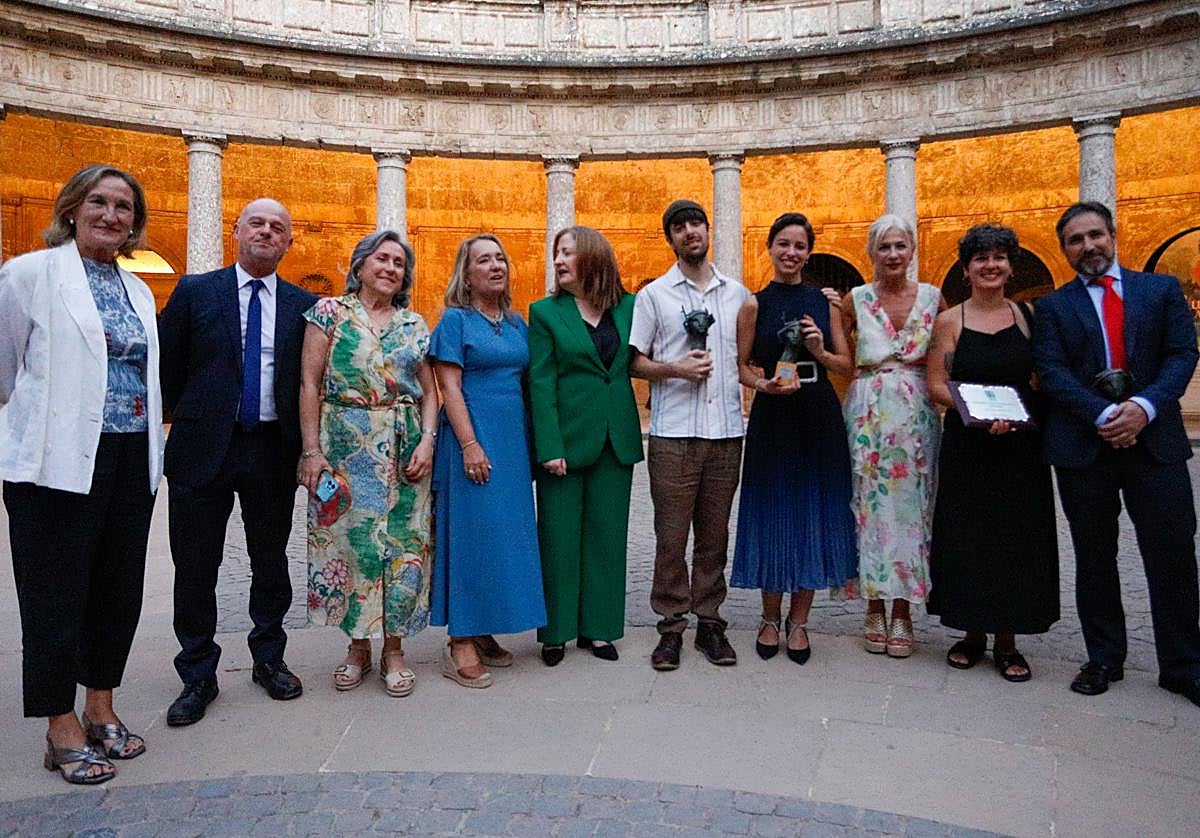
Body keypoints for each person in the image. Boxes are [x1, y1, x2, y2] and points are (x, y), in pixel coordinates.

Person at [0, 164, 163, 784]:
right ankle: (59, 724)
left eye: (124, 207)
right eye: (99, 201)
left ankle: (102, 706)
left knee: (117, 589)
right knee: (53, 594)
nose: (111, 215)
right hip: (54, 462)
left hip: (128, 457)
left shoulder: (138, 289)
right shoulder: (28, 275)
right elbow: (2, 367)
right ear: (72, 208)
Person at [1033, 201, 1200, 705]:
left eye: (1094, 236)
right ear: (1065, 250)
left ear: (1113, 235)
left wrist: (1143, 407)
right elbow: (1053, 371)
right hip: (1086, 445)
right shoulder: (1053, 306)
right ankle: (1104, 656)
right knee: (1094, 555)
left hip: (1155, 442)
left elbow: (1182, 353)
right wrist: (1104, 415)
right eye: (1075, 241)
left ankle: (1183, 665)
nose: (1087, 247)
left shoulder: (1160, 290)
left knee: (1172, 554)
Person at [159, 197, 318, 725]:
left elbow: (308, 380)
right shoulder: (194, 292)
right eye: (257, 223)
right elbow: (168, 368)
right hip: (204, 446)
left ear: (288, 242)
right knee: (196, 563)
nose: (267, 232)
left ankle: (269, 658)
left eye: (278, 226)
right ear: (236, 230)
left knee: (270, 559)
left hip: (271, 448)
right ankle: (197, 673)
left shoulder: (303, 305)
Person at [297, 231, 437, 697]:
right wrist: (312, 451)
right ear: (359, 266)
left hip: (404, 445)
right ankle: (356, 647)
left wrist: (428, 442)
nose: (391, 268)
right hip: (344, 448)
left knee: (402, 546)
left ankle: (394, 650)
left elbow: (430, 391)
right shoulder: (328, 314)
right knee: (351, 544)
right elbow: (310, 385)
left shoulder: (414, 324)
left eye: (399, 262)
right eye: (382, 258)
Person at [926, 224, 1059, 681]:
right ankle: (971, 634)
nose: (990, 265)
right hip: (970, 444)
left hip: (1020, 447)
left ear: (1010, 266)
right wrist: (973, 411)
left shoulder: (1028, 317)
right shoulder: (950, 321)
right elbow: (936, 385)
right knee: (969, 535)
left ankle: (1008, 640)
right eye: (980, 258)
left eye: (999, 257)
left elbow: (1042, 378)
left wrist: (1021, 412)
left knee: (1016, 538)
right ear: (966, 269)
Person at [731, 213, 858, 665]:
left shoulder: (827, 303)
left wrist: (821, 349)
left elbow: (846, 366)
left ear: (809, 251)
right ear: (770, 248)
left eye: (800, 246)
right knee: (771, 512)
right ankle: (769, 618)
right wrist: (763, 386)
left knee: (813, 513)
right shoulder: (753, 304)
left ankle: (799, 622)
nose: (791, 253)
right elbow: (742, 365)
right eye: (783, 244)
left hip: (818, 411)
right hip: (774, 411)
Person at [630, 199, 749, 671]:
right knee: (670, 536)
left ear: (707, 230)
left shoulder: (738, 295)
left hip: (725, 433)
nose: (689, 232)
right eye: (679, 227)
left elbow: (747, 360)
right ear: (671, 239)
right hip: (674, 433)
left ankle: (711, 623)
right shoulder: (654, 296)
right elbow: (634, 361)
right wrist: (674, 368)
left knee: (715, 536)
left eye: (695, 223)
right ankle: (671, 627)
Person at [428, 233, 546, 688]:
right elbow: (449, 388)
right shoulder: (455, 321)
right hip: (470, 440)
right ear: (467, 272)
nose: (495, 266)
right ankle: (459, 639)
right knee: (469, 537)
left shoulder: (517, 324)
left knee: (503, 536)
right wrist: (470, 444)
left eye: (500, 258)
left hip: (513, 443)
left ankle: (482, 629)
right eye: (484, 260)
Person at [528, 226, 644, 666]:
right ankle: (556, 632)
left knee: (608, 537)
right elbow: (540, 384)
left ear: (593, 259)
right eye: (557, 254)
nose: (559, 262)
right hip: (565, 441)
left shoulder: (631, 307)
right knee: (558, 537)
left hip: (617, 438)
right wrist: (549, 446)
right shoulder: (544, 313)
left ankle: (599, 629)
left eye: (568, 254)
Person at [841, 213, 944, 658]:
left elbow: (949, 353)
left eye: (901, 246)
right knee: (866, 506)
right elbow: (842, 358)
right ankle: (873, 606)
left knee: (914, 509)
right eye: (884, 247)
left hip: (917, 411)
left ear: (913, 250)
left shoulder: (935, 298)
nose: (893, 255)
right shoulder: (855, 298)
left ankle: (902, 610)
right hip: (867, 410)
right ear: (872, 252)